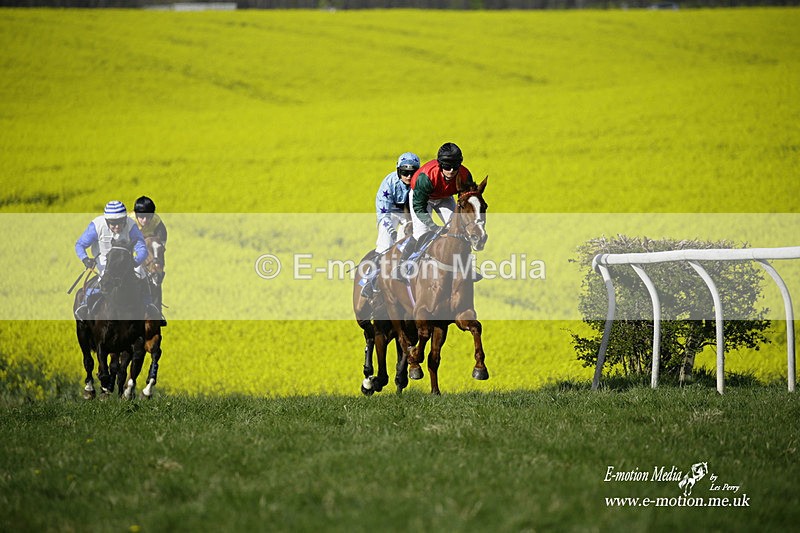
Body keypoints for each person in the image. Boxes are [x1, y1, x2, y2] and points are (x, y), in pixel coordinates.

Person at [393, 142, 477, 279]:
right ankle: (403, 265)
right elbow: (419, 207)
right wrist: (433, 226)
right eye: (446, 166)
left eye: (455, 166)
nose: (451, 170)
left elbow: (465, 199)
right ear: (440, 164)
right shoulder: (426, 177)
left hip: (444, 197)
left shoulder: (465, 175)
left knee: (460, 229)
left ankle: (467, 266)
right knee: (421, 233)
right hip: (422, 199)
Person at [74, 200, 149, 320]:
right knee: (105, 276)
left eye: (120, 223)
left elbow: (142, 249)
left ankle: (149, 305)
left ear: (125, 219)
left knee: (141, 271)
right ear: (106, 221)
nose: (117, 227)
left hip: (125, 262)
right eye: (113, 224)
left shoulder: (131, 226)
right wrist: (85, 259)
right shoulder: (97, 226)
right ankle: (84, 305)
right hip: (105, 261)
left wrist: (134, 262)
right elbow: (80, 244)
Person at [361, 152, 420, 299]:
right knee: (385, 244)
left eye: (412, 173)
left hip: (410, 216)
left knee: (413, 243)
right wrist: (392, 231)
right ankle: (370, 280)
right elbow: (384, 213)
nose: (408, 176)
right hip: (391, 215)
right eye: (404, 172)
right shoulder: (389, 183)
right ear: (398, 171)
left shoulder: (421, 183)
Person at [131, 195, 168, 325]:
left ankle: (157, 312)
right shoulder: (129, 222)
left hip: (149, 254)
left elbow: (161, 243)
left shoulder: (157, 222)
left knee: (156, 277)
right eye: (141, 217)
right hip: (131, 250)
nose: (145, 220)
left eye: (148, 217)